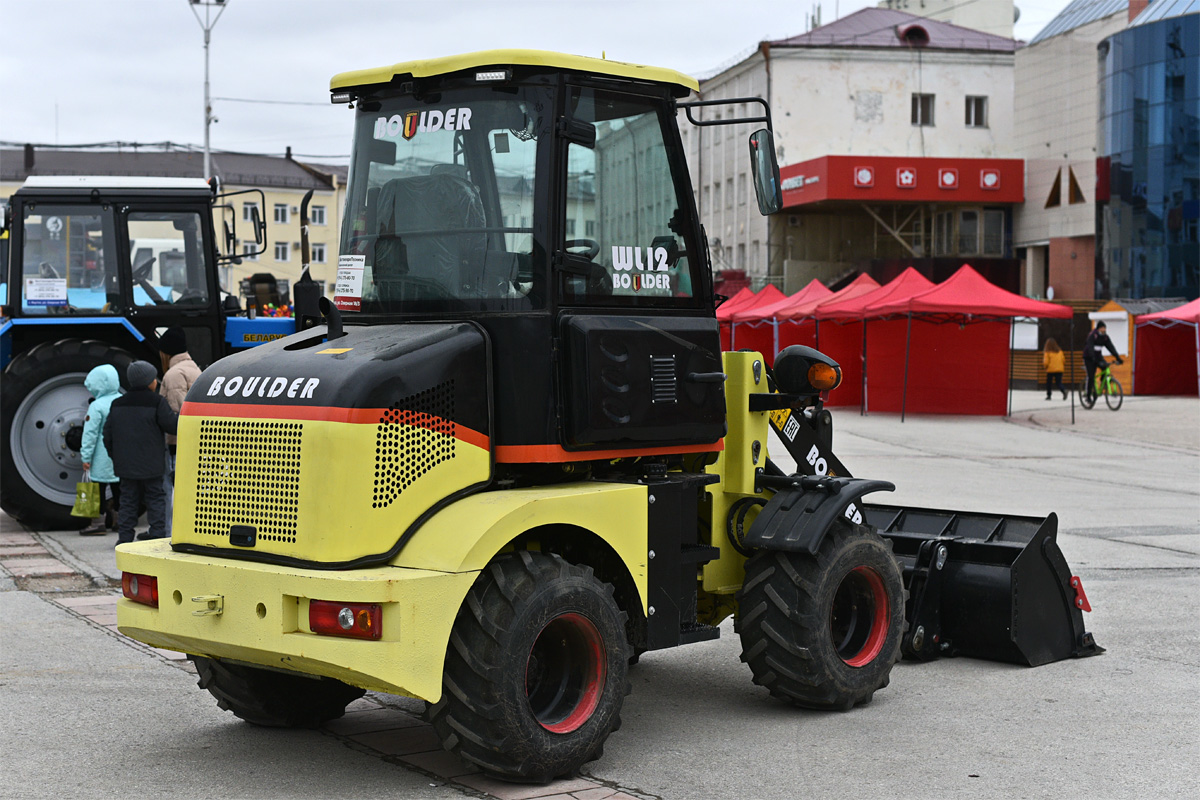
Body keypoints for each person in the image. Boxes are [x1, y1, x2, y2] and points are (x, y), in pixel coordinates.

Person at [103, 361, 178, 545]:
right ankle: (157, 534)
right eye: (154, 378)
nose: (155, 381)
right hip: (152, 464)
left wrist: (116, 457)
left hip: (126, 465)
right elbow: (171, 425)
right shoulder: (156, 402)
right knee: (155, 499)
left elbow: (107, 435)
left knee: (127, 501)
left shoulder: (118, 404)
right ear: (149, 382)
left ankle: (124, 538)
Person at [158, 327, 200, 537]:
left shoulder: (174, 374)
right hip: (196, 440)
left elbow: (178, 412)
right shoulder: (194, 368)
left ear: (166, 352)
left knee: (174, 491)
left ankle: (174, 532)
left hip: (177, 443)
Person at [78, 364, 122, 535]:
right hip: (120, 457)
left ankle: (98, 523)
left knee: (98, 492)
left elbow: (90, 434)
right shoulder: (122, 400)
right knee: (120, 491)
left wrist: (86, 457)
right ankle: (120, 521)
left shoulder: (96, 406)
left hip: (101, 458)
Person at [1083, 321, 1122, 401]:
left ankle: (1101, 384)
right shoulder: (1093, 335)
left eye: (1105, 328)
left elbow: (1111, 347)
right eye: (1102, 328)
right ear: (1099, 328)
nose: (1104, 330)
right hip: (1089, 358)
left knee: (1105, 368)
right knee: (1091, 376)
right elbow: (1090, 346)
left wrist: (1118, 357)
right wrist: (1092, 357)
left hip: (1098, 356)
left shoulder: (1105, 337)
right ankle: (1088, 395)